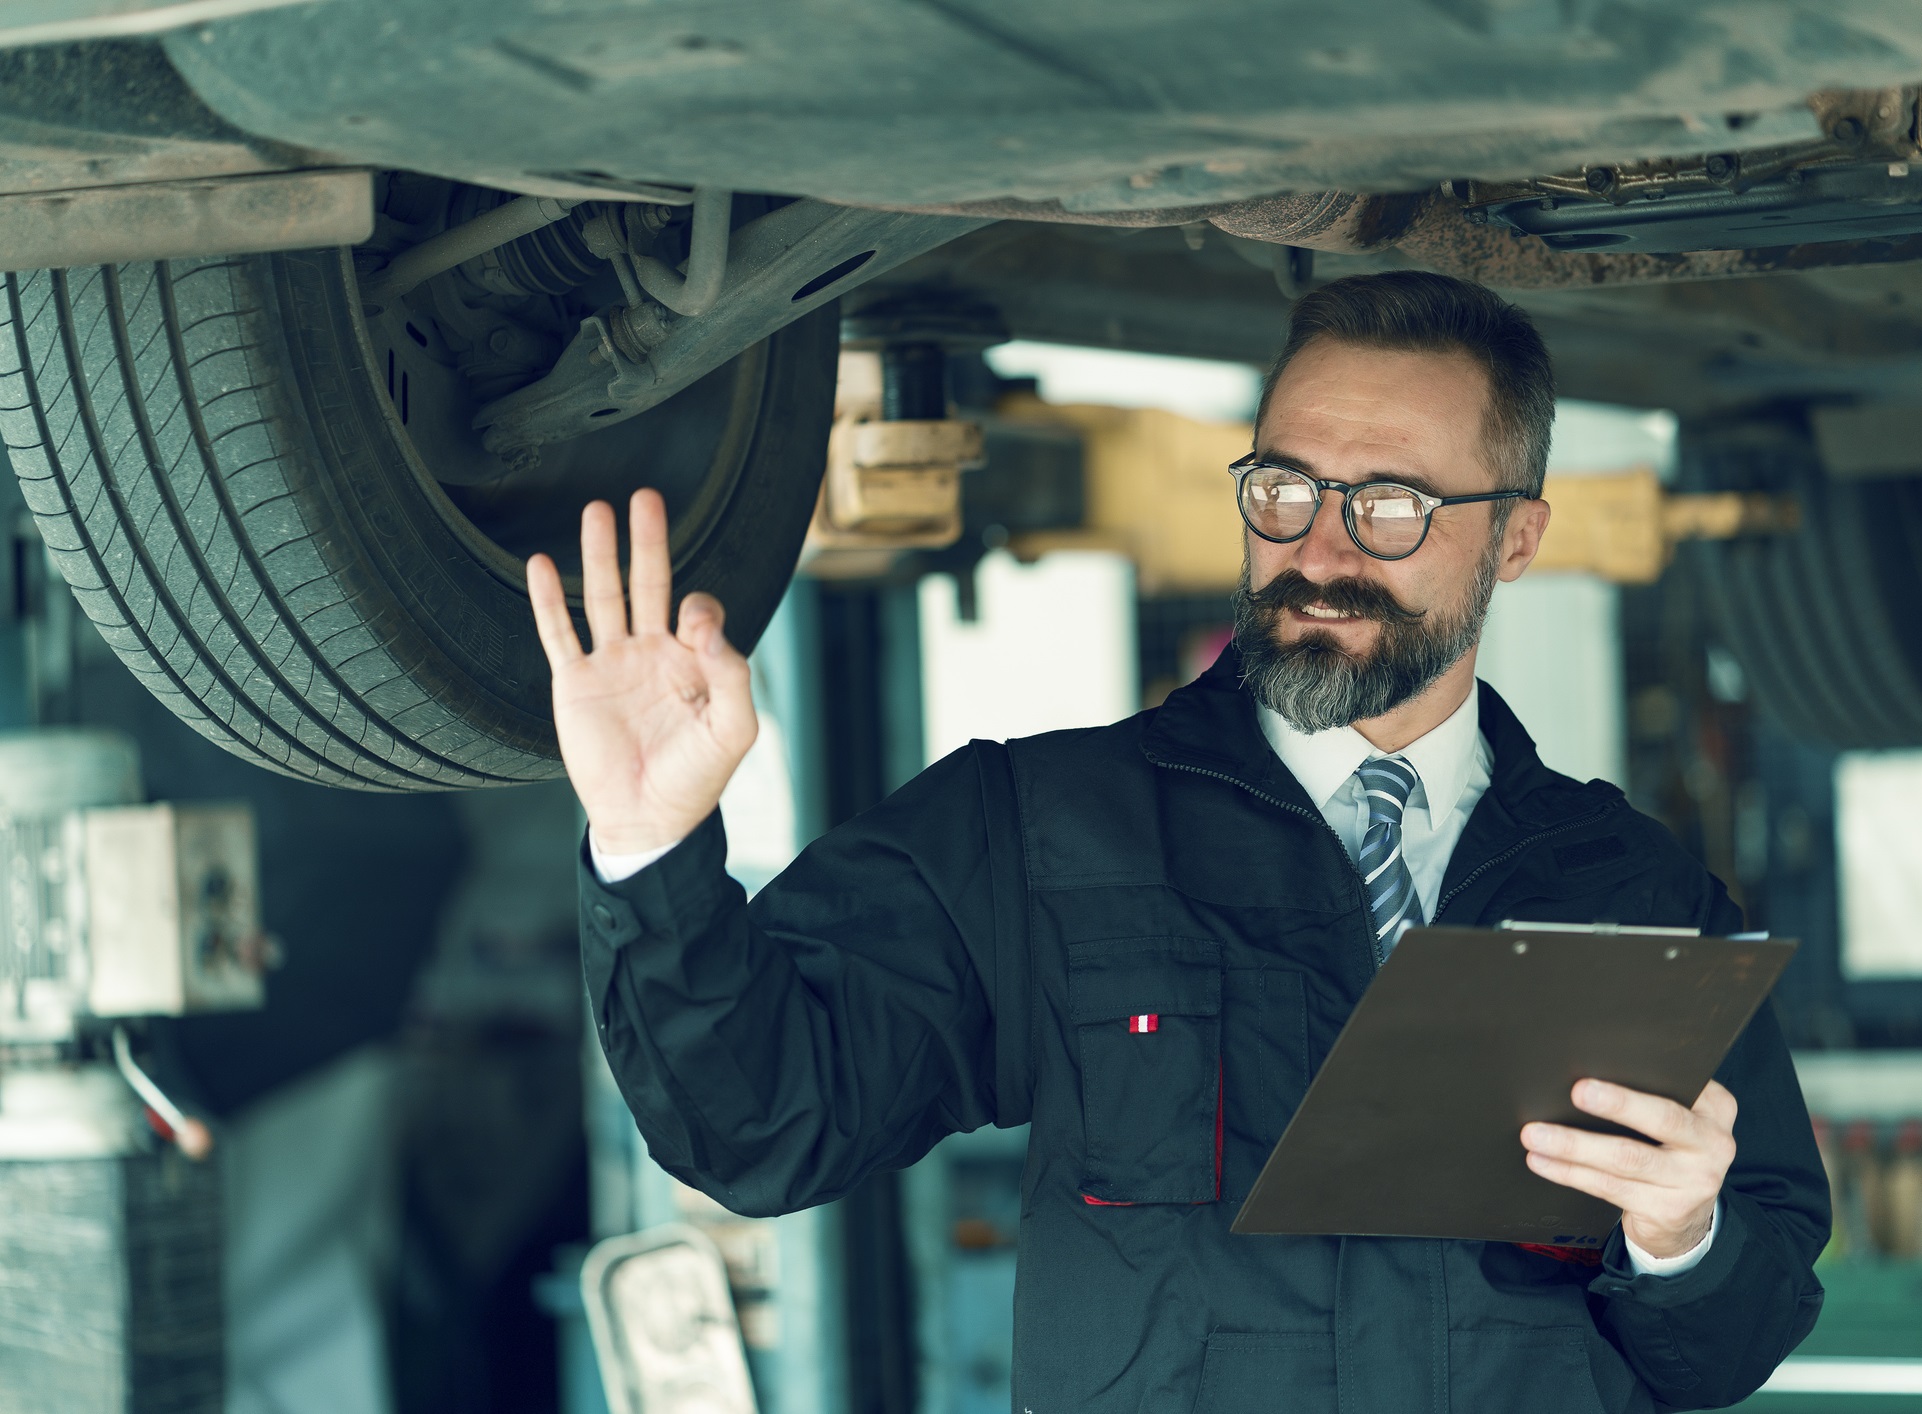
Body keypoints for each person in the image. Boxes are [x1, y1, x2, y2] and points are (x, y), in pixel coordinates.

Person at [529, 271, 1829, 1413]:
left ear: (1516, 535)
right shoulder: (1042, 830)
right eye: (1284, 488)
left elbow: (1728, 1345)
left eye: (1387, 506)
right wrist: (653, 849)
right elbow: (759, 1122)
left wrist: (1679, 1233)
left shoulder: (1633, 896)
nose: (1316, 548)